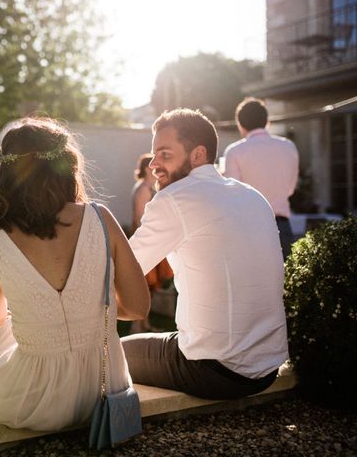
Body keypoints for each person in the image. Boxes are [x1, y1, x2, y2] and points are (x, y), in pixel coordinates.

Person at [0, 118, 150, 431]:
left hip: (29, 401)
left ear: (6, 173)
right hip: (103, 387)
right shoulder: (101, 218)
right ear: (67, 166)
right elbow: (139, 307)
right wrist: (95, 311)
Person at [123, 108, 289, 400]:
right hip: (267, 368)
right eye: (153, 155)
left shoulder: (174, 199)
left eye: (164, 154)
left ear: (198, 154)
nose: (154, 165)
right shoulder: (253, 196)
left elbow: (123, 268)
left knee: (110, 352)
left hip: (215, 370)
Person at [223, 97, 299, 260]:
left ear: (240, 124)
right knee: (285, 283)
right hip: (282, 226)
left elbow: (232, 196)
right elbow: (290, 189)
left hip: (249, 228)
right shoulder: (288, 146)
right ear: (267, 122)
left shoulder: (235, 152)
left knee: (251, 284)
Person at [130, 153, 169, 333]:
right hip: (145, 243)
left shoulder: (149, 187)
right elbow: (139, 219)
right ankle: (136, 326)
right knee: (143, 285)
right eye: (153, 166)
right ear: (147, 168)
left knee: (151, 286)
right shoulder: (143, 188)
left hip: (152, 241)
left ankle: (144, 324)